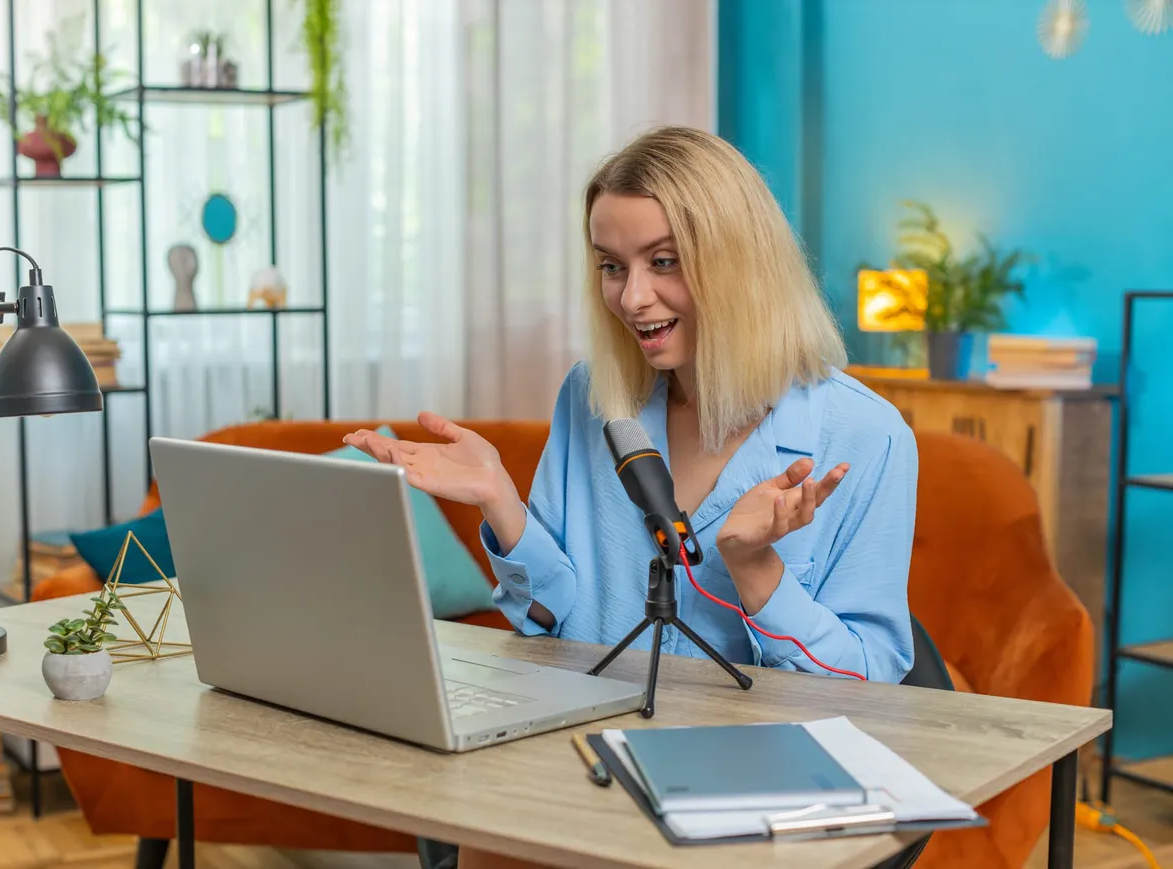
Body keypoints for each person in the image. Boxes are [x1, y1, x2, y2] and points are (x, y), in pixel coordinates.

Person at [345, 125, 918, 869]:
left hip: (751, 794)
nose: (632, 297)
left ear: (740, 263)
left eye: (665, 262)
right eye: (611, 266)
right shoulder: (593, 398)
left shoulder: (865, 435)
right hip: (584, 768)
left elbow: (872, 683)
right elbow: (557, 628)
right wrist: (500, 503)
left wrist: (756, 572)